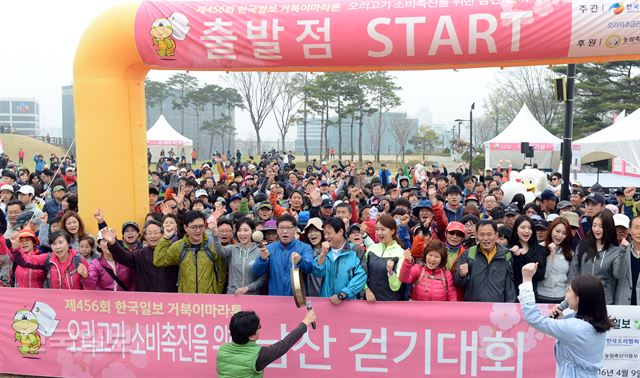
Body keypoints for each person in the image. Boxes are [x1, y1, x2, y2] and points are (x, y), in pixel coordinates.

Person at [518, 263, 612, 378]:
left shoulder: (574, 327)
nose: (566, 296)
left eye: (568, 292)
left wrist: (527, 280)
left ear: (579, 298)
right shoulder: (595, 322)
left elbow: (533, 317)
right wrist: (561, 316)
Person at [216, 309, 317, 378]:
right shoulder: (259, 355)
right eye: (258, 327)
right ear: (251, 336)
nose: (260, 328)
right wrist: (306, 322)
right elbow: (284, 345)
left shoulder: (222, 350)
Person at [153, 211, 228, 294]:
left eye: (201, 226)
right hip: (186, 299)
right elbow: (158, 261)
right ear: (185, 228)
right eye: (194, 227)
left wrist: (217, 292)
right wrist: (166, 238)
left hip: (208, 300)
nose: (198, 230)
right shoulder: (178, 246)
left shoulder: (212, 246)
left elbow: (221, 272)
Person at [105, 220, 179, 292]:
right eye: (149, 233)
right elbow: (125, 257)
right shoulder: (140, 254)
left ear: (162, 234)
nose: (153, 236)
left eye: (156, 233)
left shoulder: (171, 251)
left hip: (169, 299)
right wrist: (113, 243)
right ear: (145, 236)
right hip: (145, 301)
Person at [454, 220, 516, 302]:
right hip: (473, 308)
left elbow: (509, 287)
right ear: (476, 235)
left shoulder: (506, 255)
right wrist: (461, 275)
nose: (485, 238)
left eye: (489, 234)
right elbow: (458, 283)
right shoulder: (469, 254)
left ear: (496, 235)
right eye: (482, 235)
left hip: (497, 310)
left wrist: (510, 308)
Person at [252, 213, 313, 296]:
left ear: (295, 229)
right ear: (277, 230)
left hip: (297, 299)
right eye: (281, 228)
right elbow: (256, 272)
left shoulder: (305, 248)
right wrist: (262, 260)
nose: (285, 231)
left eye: (288, 228)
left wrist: (300, 260)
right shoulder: (269, 249)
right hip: (275, 299)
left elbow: (309, 268)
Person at [312, 217, 367, 303]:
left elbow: (361, 276)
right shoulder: (324, 250)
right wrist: (322, 255)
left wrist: (343, 294)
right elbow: (317, 273)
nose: (326, 237)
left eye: (329, 233)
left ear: (341, 232)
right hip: (326, 302)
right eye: (324, 233)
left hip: (348, 303)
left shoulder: (356, 251)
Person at [208, 215, 267, 295]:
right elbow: (219, 250)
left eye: (246, 230)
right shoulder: (232, 249)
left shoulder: (259, 251)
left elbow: (263, 279)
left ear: (253, 231)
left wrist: (248, 288)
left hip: (253, 297)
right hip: (233, 296)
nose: (242, 234)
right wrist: (215, 234)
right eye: (239, 230)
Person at [11, 231, 89, 290]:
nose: (58, 247)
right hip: (54, 305)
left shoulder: (79, 260)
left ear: (68, 243)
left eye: (60, 242)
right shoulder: (47, 259)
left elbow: (91, 286)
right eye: (54, 244)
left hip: (74, 305)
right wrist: (15, 247)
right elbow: (24, 261)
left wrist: (86, 276)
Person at [363, 215, 406, 302]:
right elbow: (362, 273)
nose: (379, 233)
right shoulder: (372, 248)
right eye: (377, 229)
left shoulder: (401, 253)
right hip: (369, 301)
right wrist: (366, 289)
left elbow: (396, 286)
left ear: (392, 231)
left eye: (382, 229)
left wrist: (390, 273)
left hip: (389, 304)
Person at [537, 218, 574, 304]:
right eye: (557, 231)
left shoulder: (569, 252)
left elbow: (570, 276)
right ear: (551, 230)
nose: (560, 236)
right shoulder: (540, 248)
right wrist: (551, 255)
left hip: (561, 298)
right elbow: (544, 275)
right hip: (542, 296)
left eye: (564, 233)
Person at [508, 215, 547, 292]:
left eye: (530, 228)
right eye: (523, 228)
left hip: (532, 293)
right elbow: (515, 275)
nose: (527, 231)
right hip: (512, 294)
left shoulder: (540, 249)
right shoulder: (510, 249)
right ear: (516, 229)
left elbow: (539, 276)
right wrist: (517, 256)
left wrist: (525, 255)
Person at [614, 216, 640, 305]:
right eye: (636, 228)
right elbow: (618, 274)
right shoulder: (621, 250)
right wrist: (622, 251)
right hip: (623, 303)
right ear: (629, 230)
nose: (639, 232)